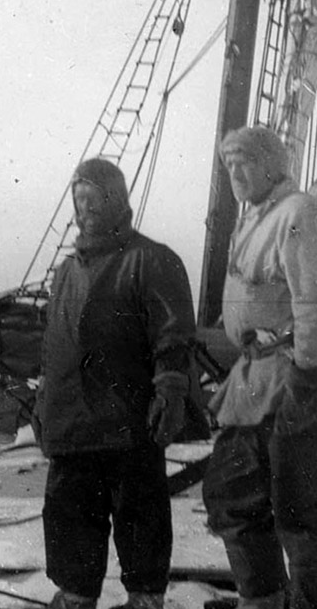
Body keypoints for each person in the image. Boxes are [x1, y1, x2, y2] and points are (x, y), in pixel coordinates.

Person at [33, 157, 197, 609]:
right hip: (70, 418)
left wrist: (170, 387)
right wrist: (44, 397)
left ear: (116, 200)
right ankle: (76, 595)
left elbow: (173, 333)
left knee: (139, 510)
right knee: (69, 510)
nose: (85, 209)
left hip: (128, 417)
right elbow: (55, 342)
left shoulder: (151, 260)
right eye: (78, 200)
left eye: (94, 199)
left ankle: (145, 599)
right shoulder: (66, 272)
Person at [202, 126, 317, 609]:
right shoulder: (252, 221)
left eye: (244, 162)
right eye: (229, 166)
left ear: (274, 165)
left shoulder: (299, 213)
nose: (236, 173)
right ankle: (262, 600)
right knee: (234, 500)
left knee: (305, 515)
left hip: (294, 381)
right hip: (251, 384)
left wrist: (305, 384)